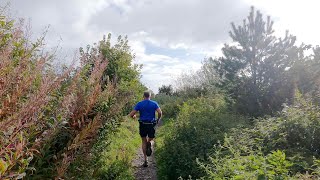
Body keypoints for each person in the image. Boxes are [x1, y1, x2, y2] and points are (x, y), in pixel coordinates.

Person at [129, 91, 162, 167]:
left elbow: (131, 114)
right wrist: (158, 119)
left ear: (143, 96)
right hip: (151, 124)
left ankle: (145, 160)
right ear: (150, 96)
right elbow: (160, 112)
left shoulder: (139, 104)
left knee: (143, 141)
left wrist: (134, 116)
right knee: (151, 139)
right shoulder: (154, 103)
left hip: (143, 124)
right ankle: (150, 143)